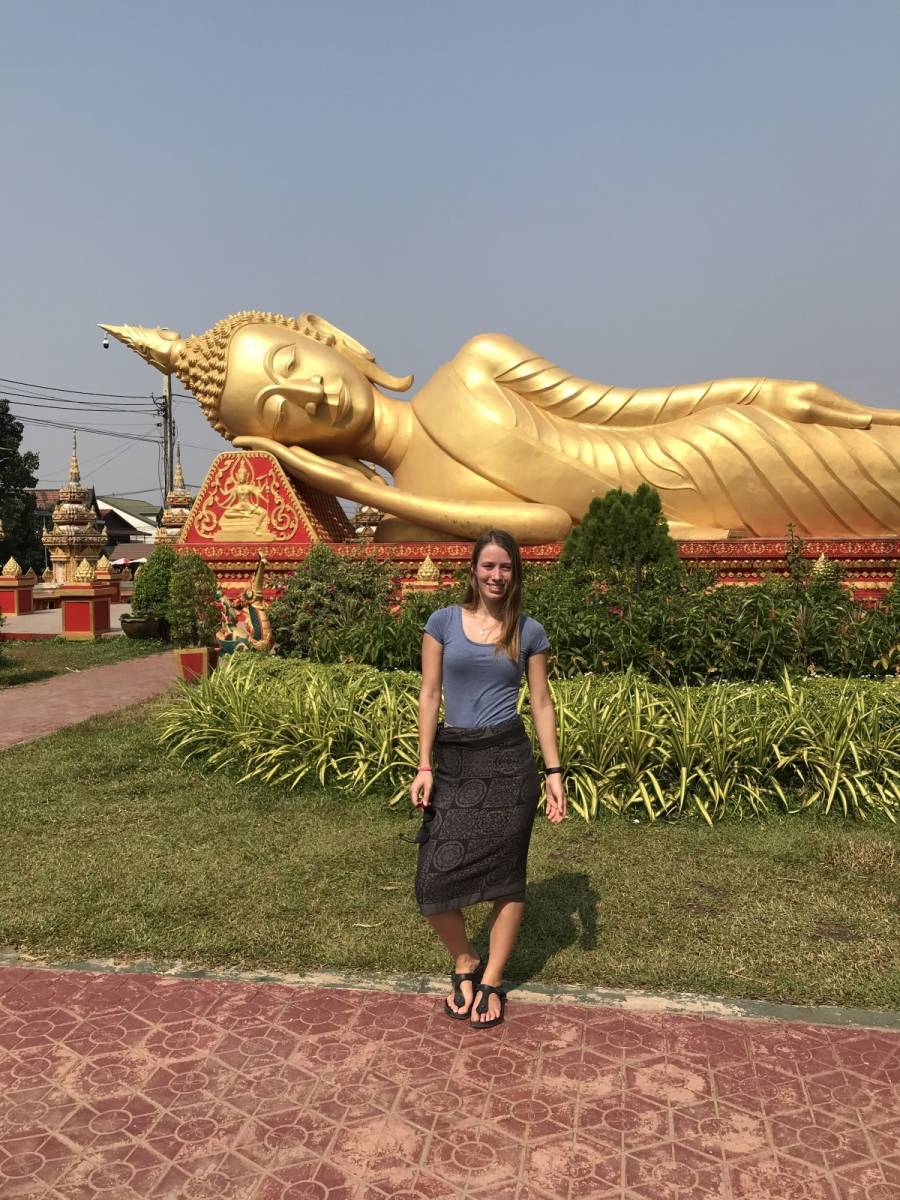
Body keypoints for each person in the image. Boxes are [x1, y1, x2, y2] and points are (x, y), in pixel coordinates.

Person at [409, 529, 566, 1028]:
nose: (497, 576)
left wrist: (554, 772)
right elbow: (429, 694)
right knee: (431, 880)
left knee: (507, 876)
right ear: (473, 570)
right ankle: (465, 958)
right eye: (489, 566)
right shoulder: (442, 623)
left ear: (515, 573)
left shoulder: (528, 631)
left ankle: (492, 979)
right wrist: (424, 764)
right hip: (455, 762)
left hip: (508, 764)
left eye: (506, 567)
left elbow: (541, 702)